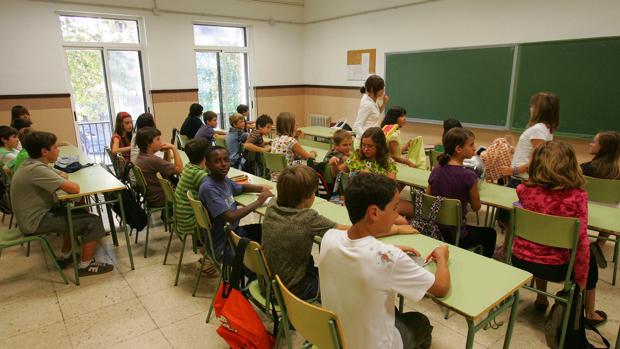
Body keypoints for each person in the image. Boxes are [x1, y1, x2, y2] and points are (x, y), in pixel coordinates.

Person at [318, 173, 450, 349]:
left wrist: (389, 249)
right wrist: (442, 258)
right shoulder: (390, 259)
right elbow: (440, 288)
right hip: (374, 344)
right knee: (421, 322)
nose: (397, 214)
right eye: (394, 208)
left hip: (335, 338)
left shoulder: (329, 237)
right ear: (374, 212)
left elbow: (358, 244)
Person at [511, 141, 605, 326]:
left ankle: (541, 299)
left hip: (520, 259)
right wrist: (581, 280)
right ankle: (590, 313)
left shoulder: (523, 190)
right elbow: (581, 243)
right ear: (570, 165)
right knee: (590, 258)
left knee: (539, 242)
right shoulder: (577, 197)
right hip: (556, 268)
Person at [11, 131, 113, 275]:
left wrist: (61, 178)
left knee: (71, 210)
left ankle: (65, 256)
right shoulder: (36, 169)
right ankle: (86, 265)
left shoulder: (32, 164)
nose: (58, 150)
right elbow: (74, 188)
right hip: (35, 221)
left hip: (33, 216)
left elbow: (61, 174)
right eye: (55, 147)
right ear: (44, 151)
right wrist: (63, 181)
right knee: (93, 221)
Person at [427, 128, 497, 257]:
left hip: (436, 231)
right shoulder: (469, 176)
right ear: (458, 149)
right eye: (471, 145)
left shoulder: (436, 170)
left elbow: (428, 199)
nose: (474, 148)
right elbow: (476, 207)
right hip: (458, 236)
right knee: (490, 233)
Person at [199, 146, 273, 261]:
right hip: (224, 245)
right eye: (217, 161)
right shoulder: (209, 188)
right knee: (263, 260)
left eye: (226, 159)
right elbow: (230, 217)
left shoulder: (223, 179)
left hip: (234, 233)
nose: (223, 164)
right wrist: (259, 201)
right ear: (208, 165)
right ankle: (256, 272)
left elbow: (241, 188)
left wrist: (261, 188)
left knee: (269, 230)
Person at [580, 131, 620, 269]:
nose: (590, 144)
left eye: (594, 141)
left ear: (603, 147)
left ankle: (581, 242)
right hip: (609, 218)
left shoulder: (584, 169)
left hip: (585, 212)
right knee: (613, 207)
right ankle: (600, 245)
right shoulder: (618, 173)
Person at [501, 92, 559, 185]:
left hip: (522, 179)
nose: (530, 109)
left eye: (533, 106)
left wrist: (513, 171)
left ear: (539, 109)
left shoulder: (538, 129)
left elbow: (537, 160)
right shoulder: (544, 129)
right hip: (522, 177)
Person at [134, 127, 183, 208]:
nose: (161, 142)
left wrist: (166, 151)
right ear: (148, 143)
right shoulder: (153, 160)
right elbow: (179, 169)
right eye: (158, 139)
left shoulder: (141, 156)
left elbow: (166, 168)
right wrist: (174, 148)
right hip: (161, 197)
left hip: (150, 196)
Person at [270, 112, 316, 179]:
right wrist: (313, 153)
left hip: (275, 177)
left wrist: (296, 136)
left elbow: (294, 152)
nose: (297, 125)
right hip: (288, 178)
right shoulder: (291, 140)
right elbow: (308, 156)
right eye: (295, 124)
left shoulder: (275, 140)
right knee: (311, 166)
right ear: (290, 126)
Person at [353, 75, 388, 147]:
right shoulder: (368, 104)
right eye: (381, 89)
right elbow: (357, 126)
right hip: (364, 144)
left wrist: (384, 103)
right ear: (372, 89)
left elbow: (377, 112)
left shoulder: (371, 98)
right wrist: (367, 141)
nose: (383, 91)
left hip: (371, 140)